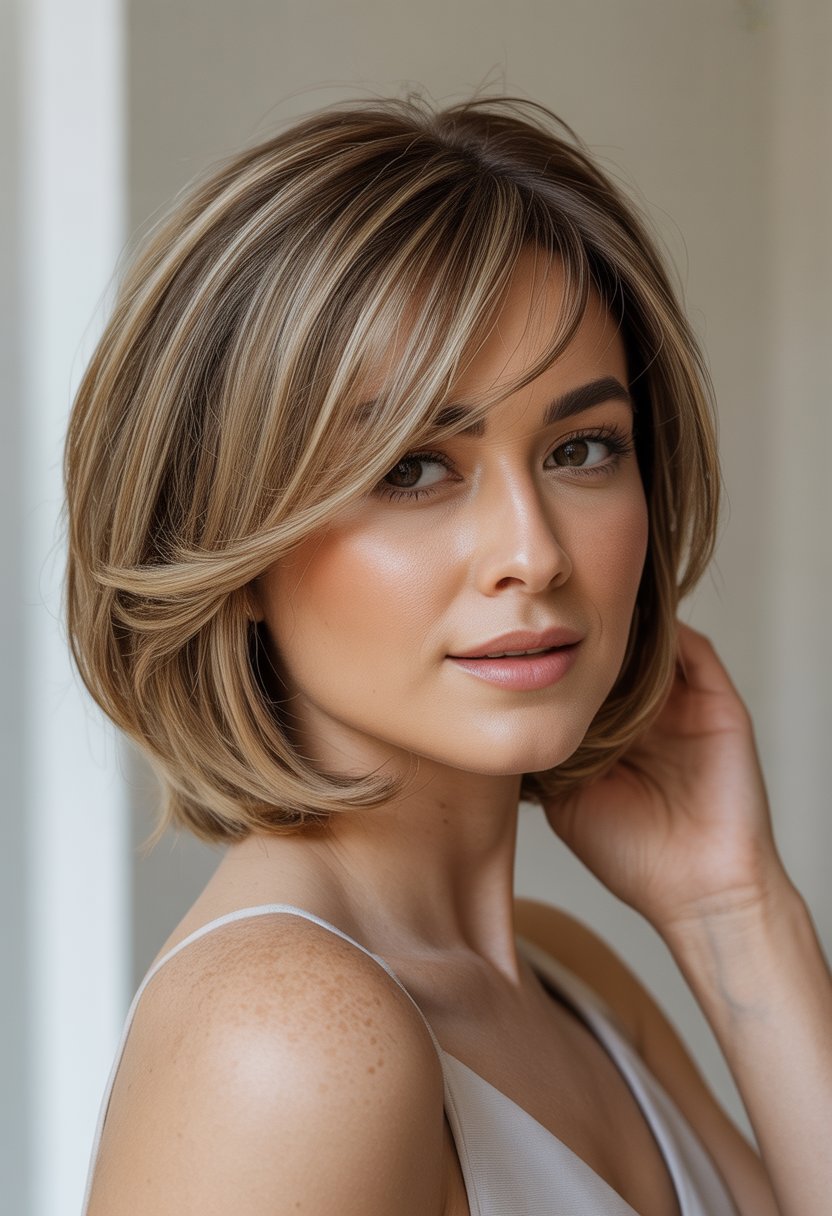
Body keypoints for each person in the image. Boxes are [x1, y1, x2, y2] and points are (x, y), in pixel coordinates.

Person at [67, 95, 830, 1216]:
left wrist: (732, 909)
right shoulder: (284, 1041)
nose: (534, 552)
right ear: (226, 545)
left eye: (581, 447)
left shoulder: (570, 980)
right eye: (413, 467)